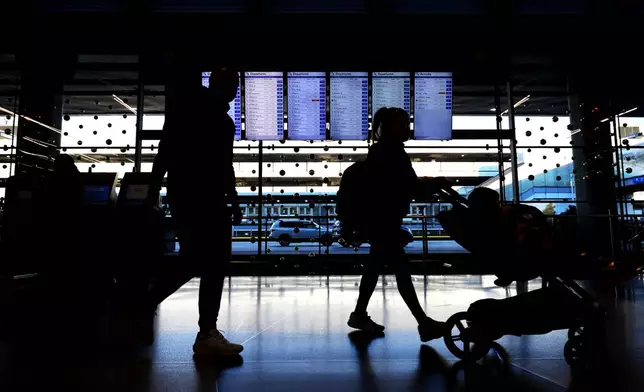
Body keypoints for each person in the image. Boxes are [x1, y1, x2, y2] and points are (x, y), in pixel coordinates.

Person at [145, 66, 243, 356]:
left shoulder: (186, 110)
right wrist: (233, 198)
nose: (235, 89)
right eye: (230, 83)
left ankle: (147, 304)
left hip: (184, 196)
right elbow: (225, 166)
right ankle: (205, 331)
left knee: (195, 259)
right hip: (207, 199)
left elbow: (165, 151)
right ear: (216, 84)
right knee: (213, 262)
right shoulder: (221, 122)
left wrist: (153, 190)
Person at [347, 107, 445, 341]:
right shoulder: (393, 153)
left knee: (375, 268)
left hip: (379, 220)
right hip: (385, 221)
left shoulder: (380, 151)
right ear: (389, 127)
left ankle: (360, 315)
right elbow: (406, 187)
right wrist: (434, 184)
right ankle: (423, 323)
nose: (407, 128)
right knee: (400, 271)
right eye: (402, 124)